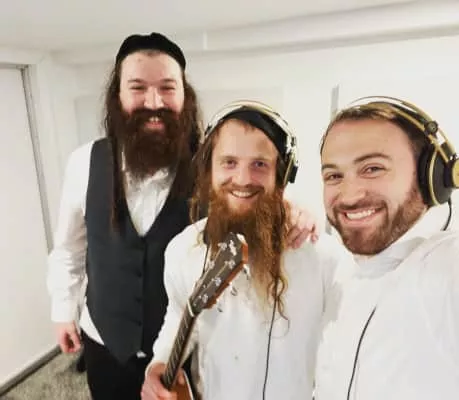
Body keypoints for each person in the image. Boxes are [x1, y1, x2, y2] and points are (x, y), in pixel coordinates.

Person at [46, 33, 317, 400]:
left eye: (167, 88)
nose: (153, 102)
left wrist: (294, 211)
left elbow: (256, 196)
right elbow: (68, 249)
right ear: (117, 96)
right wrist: (63, 309)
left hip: (186, 348)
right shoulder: (83, 163)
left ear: (184, 96)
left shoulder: (214, 164)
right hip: (105, 344)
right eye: (138, 88)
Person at [141, 100, 352, 400]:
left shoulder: (324, 258)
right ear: (209, 169)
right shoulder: (182, 250)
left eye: (259, 164)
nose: (242, 179)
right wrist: (160, 362)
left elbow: (344, 354)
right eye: (229, 162)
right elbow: (178, 314)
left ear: (282, 174)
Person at [315, 96, 459, 400]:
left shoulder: (449, 265)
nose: (350, 195)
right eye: (334, 176)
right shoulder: (346, 274)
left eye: (372, 168)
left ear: (432, 176)